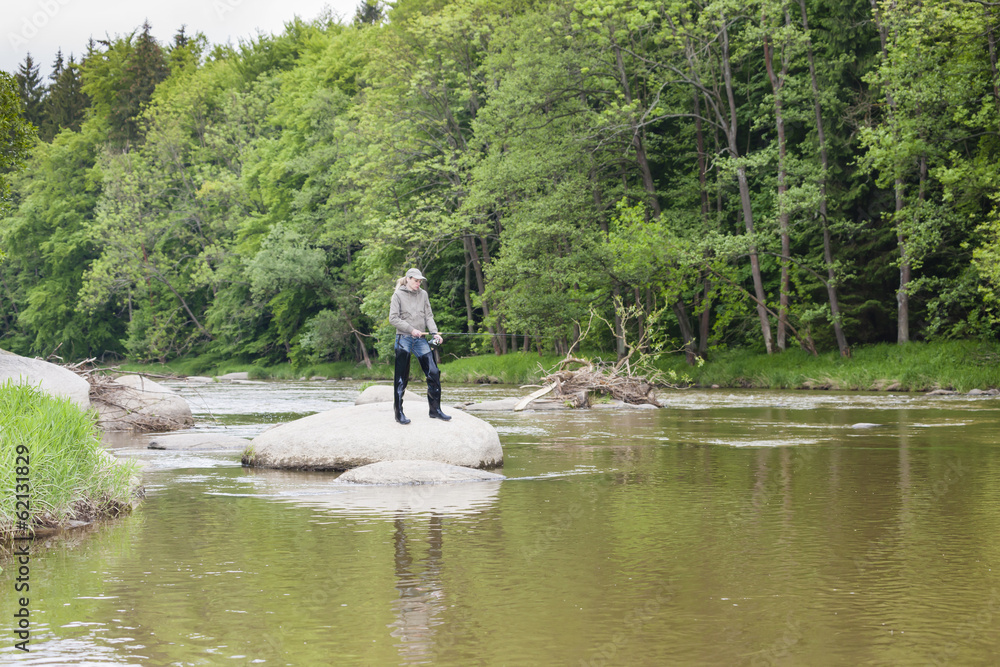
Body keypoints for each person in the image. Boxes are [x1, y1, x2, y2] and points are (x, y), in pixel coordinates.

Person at [388, 268, 451, 424]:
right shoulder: (398, 295)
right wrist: (411, 329)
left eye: (420, 281)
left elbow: (428, 316)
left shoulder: (423, 295)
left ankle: (435, 410)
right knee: (401, 377)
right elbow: (393, 319)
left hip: (421, 339)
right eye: (416, 280)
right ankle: (399, 413)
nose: (418, 283)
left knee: (434, 372)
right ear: (408, 279)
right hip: (404, 338)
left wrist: (435, 333)